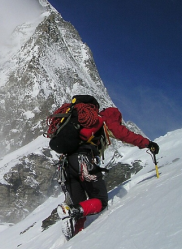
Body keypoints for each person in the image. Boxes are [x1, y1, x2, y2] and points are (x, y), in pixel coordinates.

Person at [55, 95, 160, 240]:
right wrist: (148, 144)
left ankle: (76, 239)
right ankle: (71, 211)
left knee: (81, 206)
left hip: (65, 167)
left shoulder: (79, 121)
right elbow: (125, 135)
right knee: (100, 200)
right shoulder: (104, 119)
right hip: (83, 161)